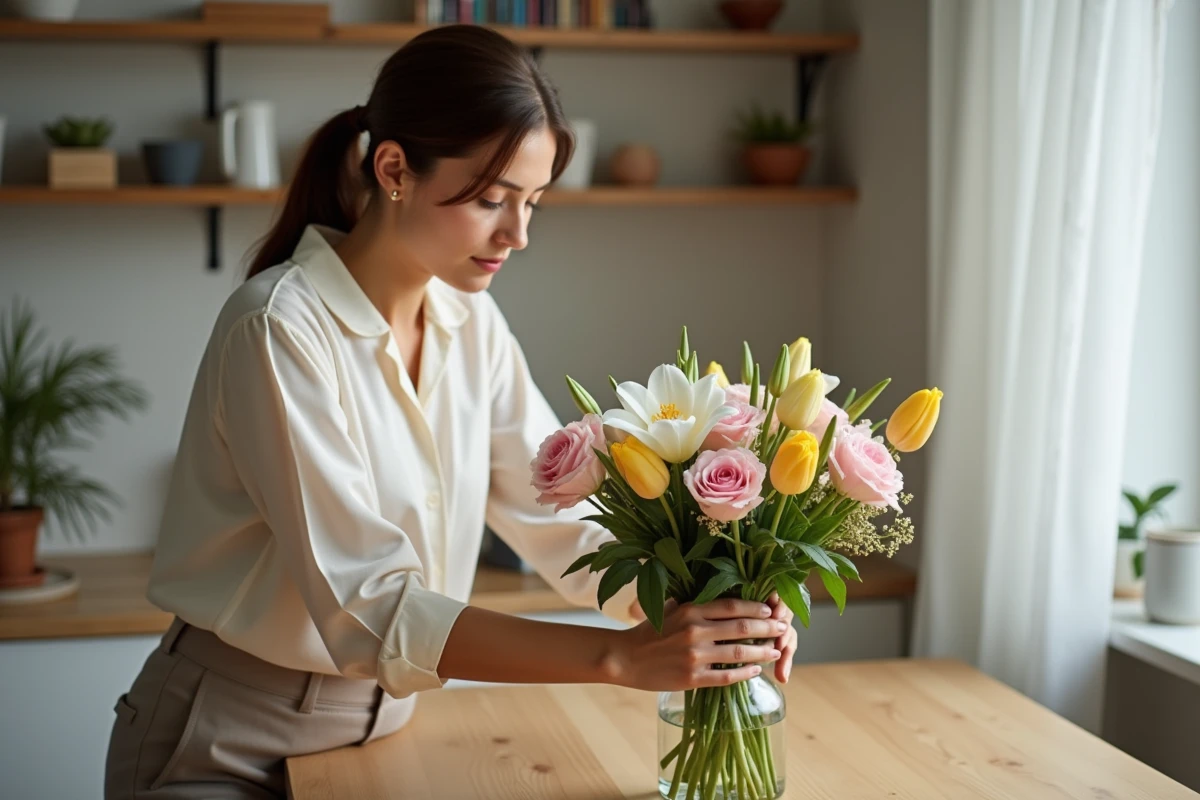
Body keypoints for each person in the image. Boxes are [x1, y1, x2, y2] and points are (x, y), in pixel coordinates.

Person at [104, 24, 797, 799]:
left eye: (532, 202)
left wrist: (706, 611)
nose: (519, 233)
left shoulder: (472, 326)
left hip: (385, 735)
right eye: (493, 200)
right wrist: (619, 657)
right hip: (227, 743)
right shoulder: (278, 330)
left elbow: (559, 517)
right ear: (394, 168)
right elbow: (370, 606)